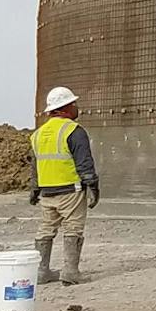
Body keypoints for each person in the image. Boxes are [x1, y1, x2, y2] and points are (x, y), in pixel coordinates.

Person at [29, 86, 100, 286]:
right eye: (74, 104)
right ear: (66, 107)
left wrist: (34, 189)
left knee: (46, 229)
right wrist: (93, 186)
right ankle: (70, 272)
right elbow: (84, 162)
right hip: (71, 190)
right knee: (73, 229)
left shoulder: (38, 134)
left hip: (47, 192)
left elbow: (35, 165)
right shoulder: (74, 131)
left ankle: (42, 271)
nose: (76, 107)